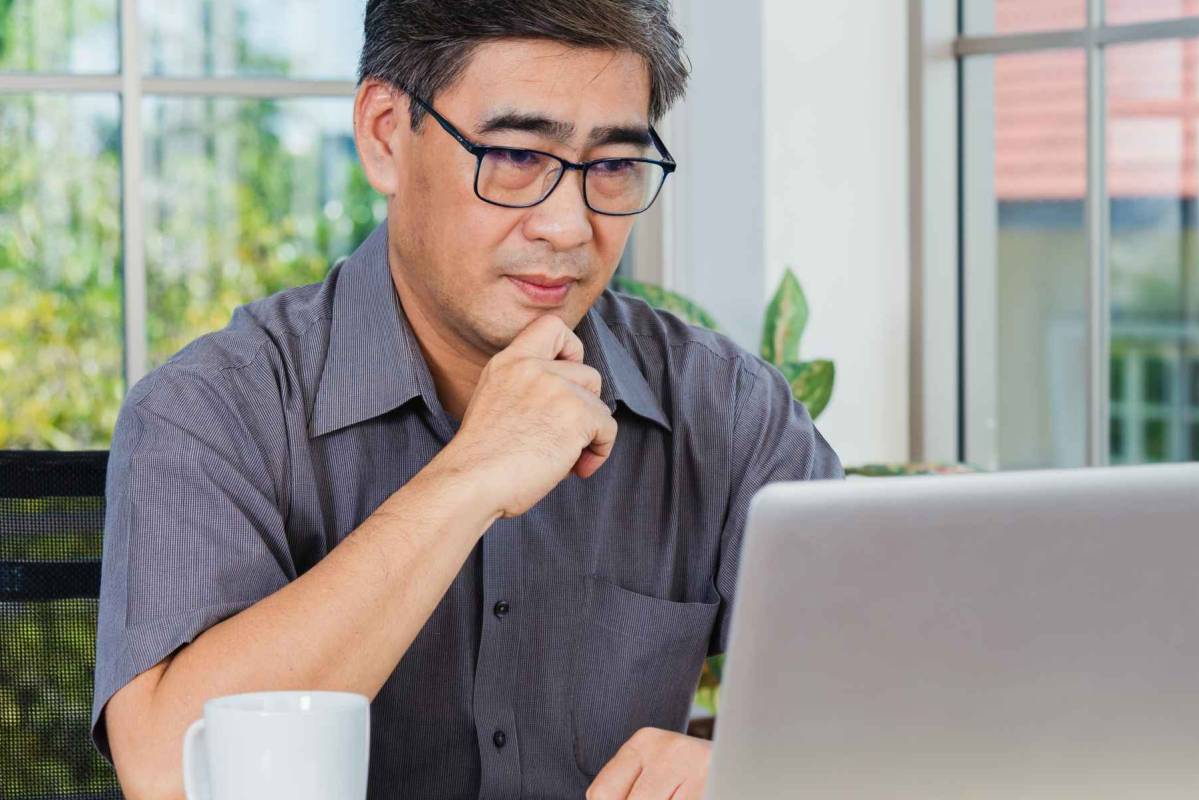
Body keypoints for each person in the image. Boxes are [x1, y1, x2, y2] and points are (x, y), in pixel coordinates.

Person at [91, 2, 841, 797]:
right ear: (385, 135)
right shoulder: (211, 409)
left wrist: (756, 777)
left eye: (614, 166)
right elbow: (169, 772)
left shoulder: (727, 410)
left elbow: (891, 704)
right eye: (516, 155)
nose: (567, 227)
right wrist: (471, 475)